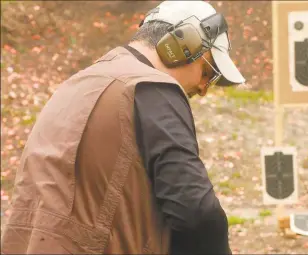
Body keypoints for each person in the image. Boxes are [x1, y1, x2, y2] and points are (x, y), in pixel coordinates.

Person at [1, 1, 246, 254]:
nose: (204, 88)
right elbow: (198, 214)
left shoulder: (78, 84)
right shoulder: (153, 89)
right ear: (183, 46)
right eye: (208, 72)